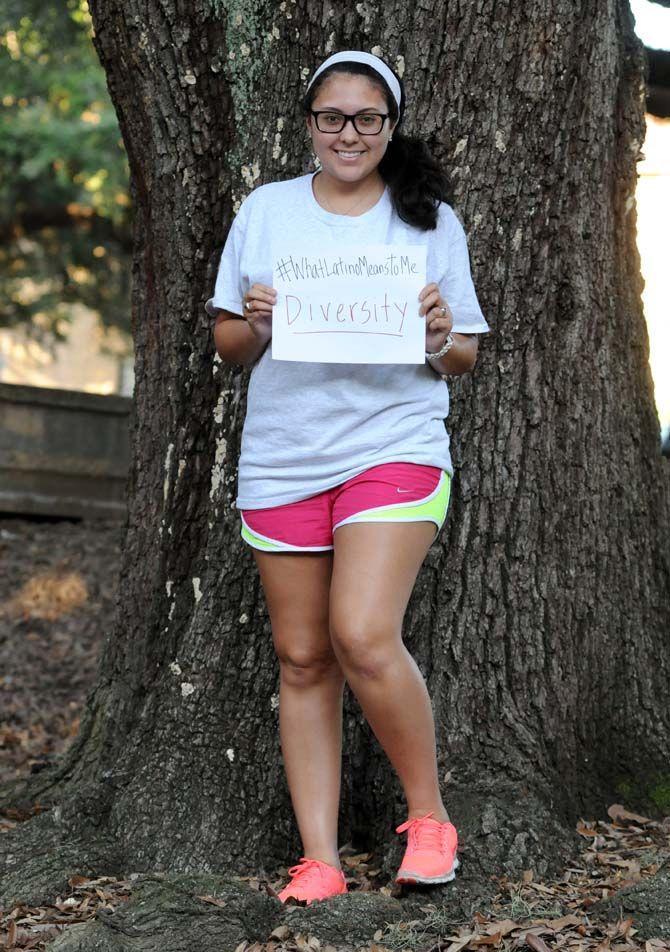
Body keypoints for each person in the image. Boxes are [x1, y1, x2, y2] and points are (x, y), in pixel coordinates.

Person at [206, 49, 490, 905]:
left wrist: (440, 334)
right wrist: (253, 324)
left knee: (362, 633)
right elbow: (228, 347)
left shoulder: (428, 220)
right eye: (332, 117)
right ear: (308, 125)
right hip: (284, 458)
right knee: (301, 657)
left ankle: (431, 818)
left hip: (393, 446)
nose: (349, 133)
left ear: (389, 127)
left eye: (368, 118)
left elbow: (464, 357)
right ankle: (320, 859)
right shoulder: (269, 211)